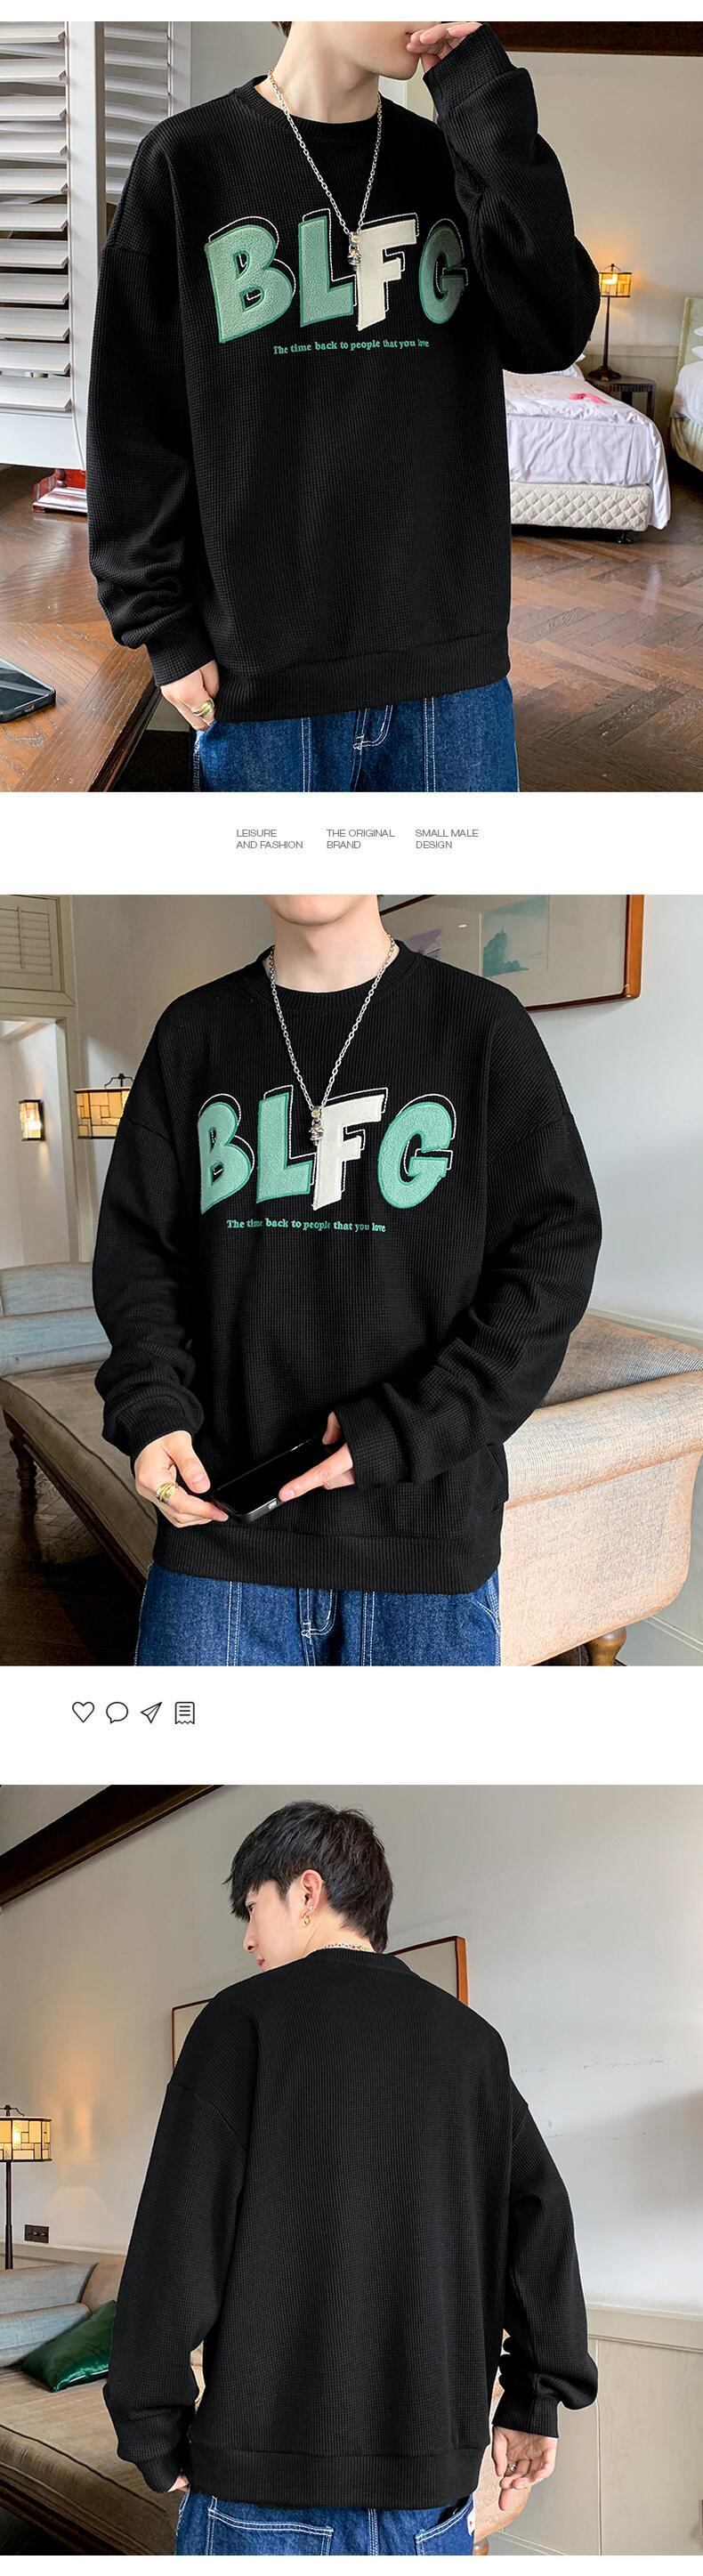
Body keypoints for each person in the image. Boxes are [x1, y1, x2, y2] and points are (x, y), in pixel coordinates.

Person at [85, 20, 601, 796]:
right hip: (261, 677)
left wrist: (482, 99)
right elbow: (134, 423)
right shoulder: (186, 162)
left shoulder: (452, 160)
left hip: (450, 673)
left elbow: (551, 331)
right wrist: (160, 624)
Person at [91, 893, 602, 1669]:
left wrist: (410, 1430)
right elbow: (140, 1259)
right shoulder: (193, 1032)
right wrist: (151, 1407)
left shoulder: (482, 1025)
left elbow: (553, 1256)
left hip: (423, 1537)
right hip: (220, 1527)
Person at [102, 1799, 598, 2557]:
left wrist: (151, 2427)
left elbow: (178, 2238)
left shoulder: (240, 2023)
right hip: (430, 2500)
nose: (247, 1938)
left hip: (260, 2495)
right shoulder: (471, 2044)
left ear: (307, 1891)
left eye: (252, 1908)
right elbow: (542, 2218)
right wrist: (534, 2399)